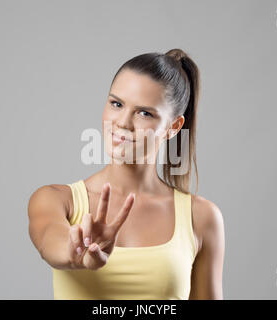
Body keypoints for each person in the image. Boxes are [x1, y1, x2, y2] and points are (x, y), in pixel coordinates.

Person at [28, 49, 225, 299]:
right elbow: (49, 241)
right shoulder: (56, 199)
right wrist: (74, 252)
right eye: (116, 104)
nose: (122, 122)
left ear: (173, 127)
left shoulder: (202, 217)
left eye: (144, 113)